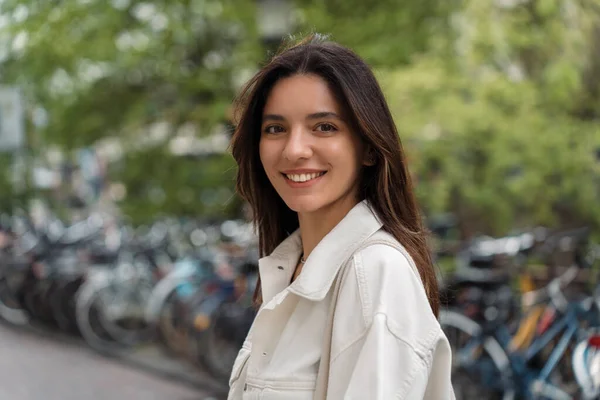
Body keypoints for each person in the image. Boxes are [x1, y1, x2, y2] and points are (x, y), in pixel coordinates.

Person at [227, 33, 455, 399]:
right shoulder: (293, 265)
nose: (295, 149)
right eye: (276, 128)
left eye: (324, 127)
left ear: (367, 147)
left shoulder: (375, 274)